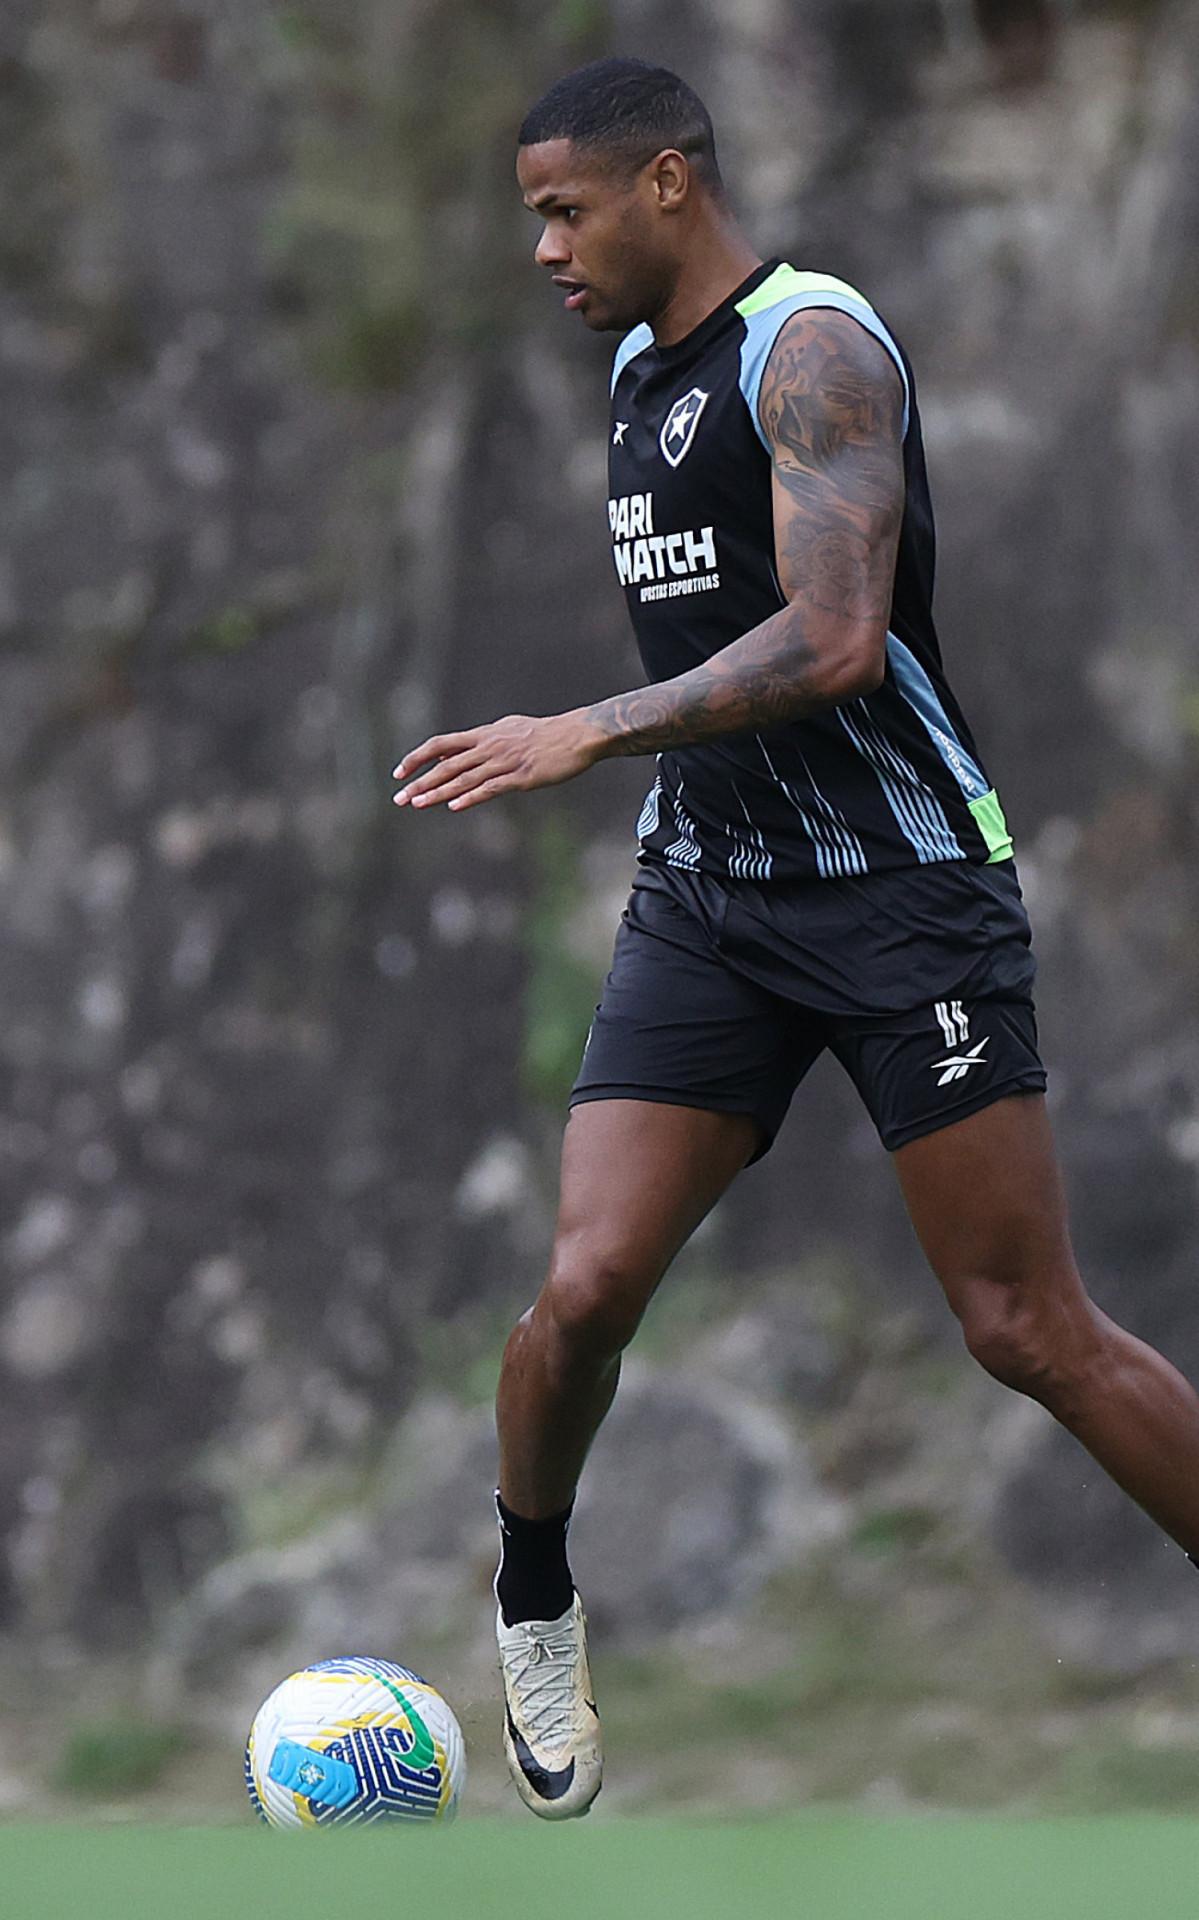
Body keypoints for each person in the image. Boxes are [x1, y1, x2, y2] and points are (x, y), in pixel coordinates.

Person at [394, 55, 1199, 1821]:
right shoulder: (632, 368)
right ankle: (533, 1596)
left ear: (668, 182)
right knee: (583, 1291)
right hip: (712, 900)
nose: (543, 244)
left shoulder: (810, 347)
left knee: (1024, 1328)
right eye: (533, 211)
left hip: (906, 889)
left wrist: (587, 728)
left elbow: (836, 646)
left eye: (563, 207)